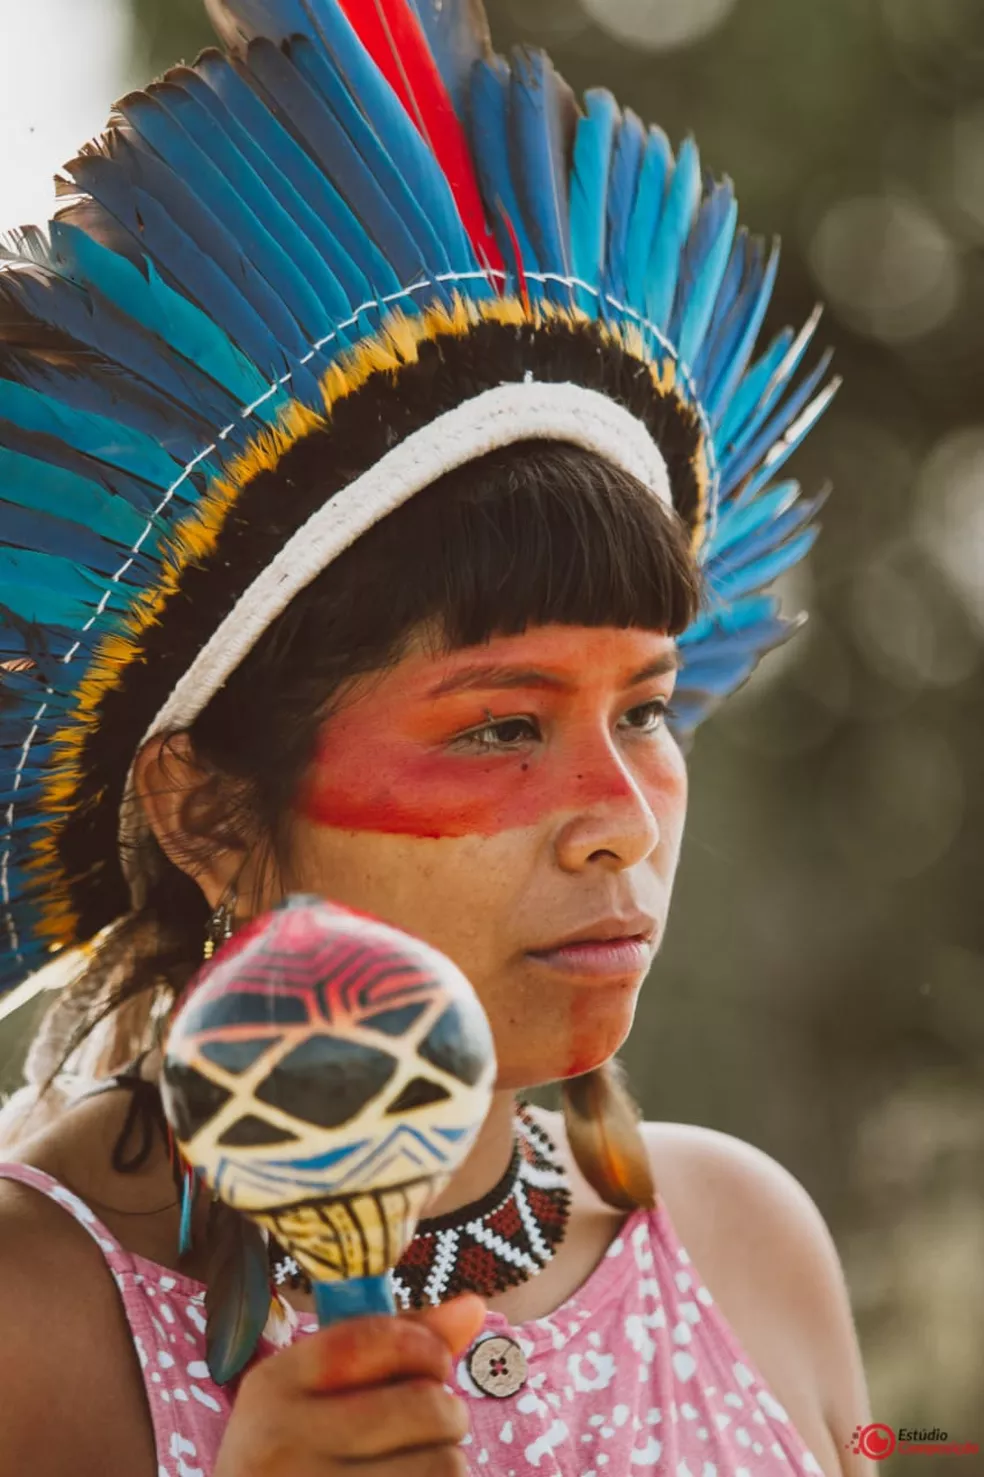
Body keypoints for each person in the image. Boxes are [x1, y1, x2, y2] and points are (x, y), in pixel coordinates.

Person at [0, 0, 872, 1473]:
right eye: (501, 727)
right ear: (204, 809)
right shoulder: (33, 1321)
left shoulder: (747, 1246)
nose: (622, 819)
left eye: (646, 710)